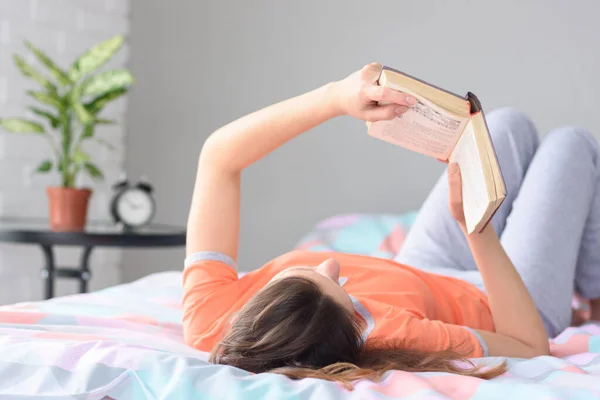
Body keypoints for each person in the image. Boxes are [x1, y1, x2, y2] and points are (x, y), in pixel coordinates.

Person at [183, 62, 600, 386]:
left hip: (420, 267)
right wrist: (476, 229)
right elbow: (530, 346)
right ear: (354, 327)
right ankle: (595, 295)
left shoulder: (211, 316)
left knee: (506, 126)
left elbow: (218, 159)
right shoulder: (392, 335)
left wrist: (335, 98)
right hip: (503, 303)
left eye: (309, 275)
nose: (334, 266)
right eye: (343, 291)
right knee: (571, 146)